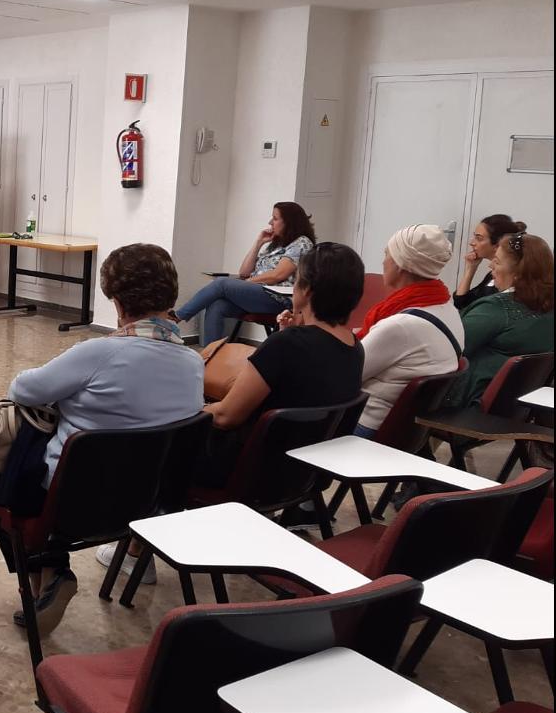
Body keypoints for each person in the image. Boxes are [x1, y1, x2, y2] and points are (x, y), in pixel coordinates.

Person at [0, 243, 204, 635]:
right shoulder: (193, 364)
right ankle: (48, 572)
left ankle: (50, 567)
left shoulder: (99, 353)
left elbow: (23, 388)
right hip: (145, 506)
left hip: (71, 505)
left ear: (116, 299)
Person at [202, 242, 365, 529]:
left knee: (160, 444)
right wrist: (286, 337)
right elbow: (305, 384)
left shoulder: (286, 346)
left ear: (308, 291)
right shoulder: (354, 347)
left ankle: (135, 552)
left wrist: (195, 411)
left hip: (247, 472)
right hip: (303, 475)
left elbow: (227, 416)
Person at [355, 225, 464, 438]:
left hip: (368, 427)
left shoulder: (400, 326)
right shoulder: (448, 310)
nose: (383, 261)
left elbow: (343, 376)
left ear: (400, 264)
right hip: (408, 431)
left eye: (387, 254)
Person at [173, 202, 316, 345]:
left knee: (221, 283)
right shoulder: (276, 244)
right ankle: (211, 357)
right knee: (217, 305)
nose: (270, 222)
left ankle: (176, 318)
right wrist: (259, 242)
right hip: (259, 295)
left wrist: (246, 283)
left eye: (275, 218)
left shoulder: (301, 242)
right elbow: (244, 272)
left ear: (289, 222)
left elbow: (277, 275)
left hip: (278, 299)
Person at [444, 233, 554, 410]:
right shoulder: (548, 310)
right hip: (517, 408)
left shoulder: (495, 309)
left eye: (496, 261)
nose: (490, 266)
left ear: (518, 273)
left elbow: (448, 350)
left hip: (468, 404)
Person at [455, 215, 527, 310]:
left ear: (498, 244)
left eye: (479, 238)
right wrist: (471, 268)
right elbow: (461, 302)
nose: (472, 243)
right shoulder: (492, 275)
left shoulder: (506, 276)